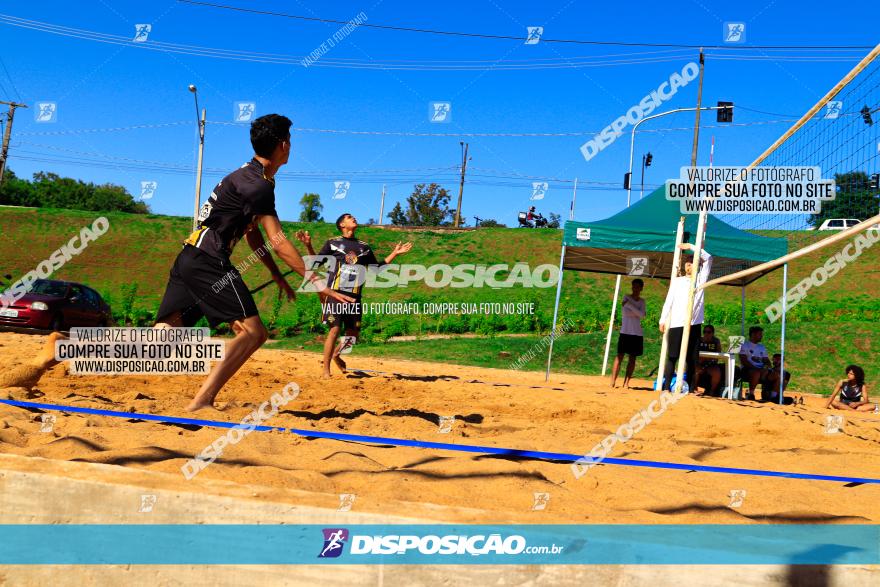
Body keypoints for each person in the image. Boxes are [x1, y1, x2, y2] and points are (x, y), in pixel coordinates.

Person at [154, 113, 354, 411]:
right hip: (207, 259)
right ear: (284, 145)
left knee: (162, 336)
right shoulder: (257, 184)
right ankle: (202, 401)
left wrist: (277, 275)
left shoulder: (248, 177)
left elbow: (254, 235)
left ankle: (61, 345)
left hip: (190, 257)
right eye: (290, 140)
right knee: (254, 332)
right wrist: (317, 284)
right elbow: (279, 240)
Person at [312, 213, 413, 378]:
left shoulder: (364, 247)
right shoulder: (332, 243)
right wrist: (308, 245)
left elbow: (376, 268)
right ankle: (325, 371)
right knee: (334, 330)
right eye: (349, 217)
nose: (354, 218)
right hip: (335, 294)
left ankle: (337, 354)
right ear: (342, 225)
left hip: (354, 298)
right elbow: (316, 262)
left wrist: (395, 253)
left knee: (353, 336)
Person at [659, 242, 712, 391]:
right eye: (687, 263)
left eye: (692, 262)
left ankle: (690, 388)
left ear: (697, 265)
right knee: (672, 356)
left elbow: (709, 258)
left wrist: (691, 247)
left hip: (694, 324)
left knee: (692, 359)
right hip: (677, 323)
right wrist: (662, 319)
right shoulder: (677, 281)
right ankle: (666, 387)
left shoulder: (701, 279)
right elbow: (668, 301)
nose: (688, 265)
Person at [610, 278, 646, 389]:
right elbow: (627, 312)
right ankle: (612, 382)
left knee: (632, 359)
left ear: (641, 288)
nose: (635, 289)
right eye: (633, 286)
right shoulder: (626, 296)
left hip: (637, 334)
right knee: (619, 357)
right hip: (625, 332)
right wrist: (636, 311)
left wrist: (629, 306)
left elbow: (642, 315)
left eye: (637, 287)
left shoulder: (642, 301)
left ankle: (626, 383)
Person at [739, 326, 770, 401]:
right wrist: (756, 368)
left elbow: (767, 361)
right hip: (747, 369)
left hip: (761, 370)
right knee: (756, 373)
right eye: (760, 334)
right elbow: (744, 360)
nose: (761, 336)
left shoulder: (762, 347)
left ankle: (773, 395)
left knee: (777, 374)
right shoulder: (744, 345)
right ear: (753, 334)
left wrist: (766, 367)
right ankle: (751, 394)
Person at [694, 324, 722, 396]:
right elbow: (694, 354)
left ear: (713, 333)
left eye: (709, 332)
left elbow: (719, 354)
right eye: (704, 332)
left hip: (711, 364)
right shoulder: (699, 340)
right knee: (695, 370)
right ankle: (694, 388)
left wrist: (710, 359)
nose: (706, 334)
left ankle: (711, 391)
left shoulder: (716, 341)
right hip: (700, 363)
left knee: (717, 372)